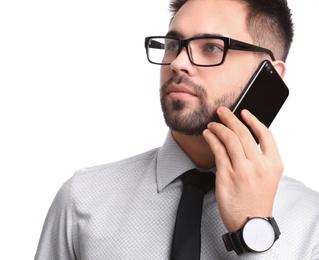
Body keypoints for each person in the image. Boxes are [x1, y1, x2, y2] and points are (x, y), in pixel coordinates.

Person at [35, 0, 319, 259]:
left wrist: (254, 232)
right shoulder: (82, 201)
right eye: (173, 44)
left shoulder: (311, 222)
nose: (177, 63)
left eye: (211, 47)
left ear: (269, 74)